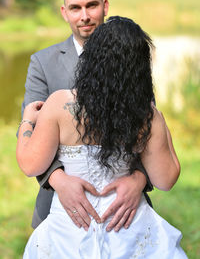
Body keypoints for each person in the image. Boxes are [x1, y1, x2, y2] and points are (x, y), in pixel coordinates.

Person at [17, 16, 187, 258]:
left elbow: (29, 164)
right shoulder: (146, 116)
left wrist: (27, 121)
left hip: (70, 230)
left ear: (91, 58)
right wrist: (157, 119)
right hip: (129, 228)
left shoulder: (59, 104)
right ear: (139, 68)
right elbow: (166, 179)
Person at [21, 0, 153, 231]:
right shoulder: (43, 63)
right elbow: (29, 129)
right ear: (64, 12)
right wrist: (59, 181)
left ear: (105, 6)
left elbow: (145, 125)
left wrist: (139, 179)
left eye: (91, 5)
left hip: (124, 209)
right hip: (60, 206)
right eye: (75, 8)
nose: (85, 16)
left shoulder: (131, 54)